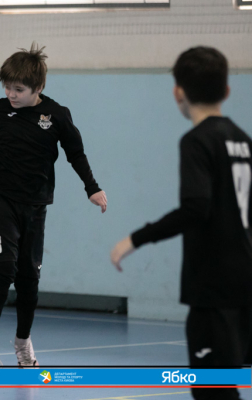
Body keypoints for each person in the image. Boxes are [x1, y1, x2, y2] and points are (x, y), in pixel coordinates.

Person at [0, 43, 107, 376]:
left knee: (29, 277)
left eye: (18, 89)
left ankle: (23, 343)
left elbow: (76, 154)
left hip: (36, 205)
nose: (11, 94)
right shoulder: (2, 109)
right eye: (7, 87)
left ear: (38, 88)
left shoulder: (57, 115)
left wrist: (92, 188)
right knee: (4, 267)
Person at [111, 46, 252, 400]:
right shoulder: (243, 140)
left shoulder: (197, 141)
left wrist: (135, 239)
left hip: (215, 288)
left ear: (178, 92)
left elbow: (195, 208)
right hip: (246, 284)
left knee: (212, 390)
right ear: (227, 90)